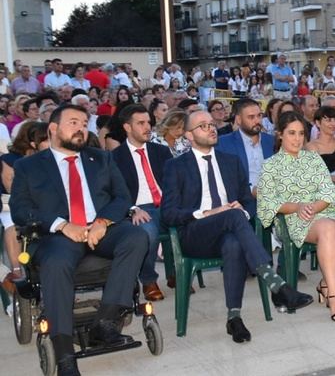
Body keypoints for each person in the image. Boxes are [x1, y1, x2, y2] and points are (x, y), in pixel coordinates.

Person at [10, 105, 148, 375]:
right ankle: (64, 354)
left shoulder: (101, 159)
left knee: (136, 237)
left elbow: (122, 198)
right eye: (73, 122)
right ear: (53, 129)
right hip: (57, 236)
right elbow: (20, 209)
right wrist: (63, 225)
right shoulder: (29, 166)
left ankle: (106, 321)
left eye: (85, 123)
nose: (81, 128)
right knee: (57, 261)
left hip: (99, 231)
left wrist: (102, 222)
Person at [161, 110, 313, 343]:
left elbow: (249, 201)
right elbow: (168, 214)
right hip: (194, 234)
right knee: (231, 216)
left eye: (212, 124)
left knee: (233, 242)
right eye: (203, 126)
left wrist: (240, 209)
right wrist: (208, 212)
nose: (211, 128)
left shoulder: (231, 162)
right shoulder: (175, 166)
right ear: (189, 135)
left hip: (228, 233)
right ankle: (275, 284)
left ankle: (234, 318)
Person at [257, 111, 335, 322]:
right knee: (327, 228)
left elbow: (328, 192)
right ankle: (334, 296)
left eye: (301, 133)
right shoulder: (271, 165)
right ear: (280, 135)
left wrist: (314, 206)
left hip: (323, 210)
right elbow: (268, 201)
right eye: (291, 133)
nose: (297, 138)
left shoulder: (313, 158)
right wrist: (297, 207)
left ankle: (325, 284)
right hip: (293, 217)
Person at [111, 105, 174, 301]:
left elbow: (174, 182)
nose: (148, 127)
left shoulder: (161, 151)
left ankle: (176, 273)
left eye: (148, 122)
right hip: (138, 208)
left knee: (186, 223)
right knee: (148, 231)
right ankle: (148, 279)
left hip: (166, 204)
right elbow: (113, 192)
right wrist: (132, 209)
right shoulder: (115, 157)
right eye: (141, 123)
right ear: (127, 128)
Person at [1, 122, 49, 295]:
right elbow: (11, 189)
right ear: (31, 141)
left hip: (43, 204)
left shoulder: (53, 159)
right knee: (12, 224)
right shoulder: (9, 160)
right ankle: (16, 270)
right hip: (11, 203)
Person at [216, 98, 275, 195]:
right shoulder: (223, 144)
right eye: (251, 117)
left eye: (259, 116)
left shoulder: (272, 141)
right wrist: (252, 191)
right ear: (238, 120)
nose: (257, 121)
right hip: (241, 202)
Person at [306, 106, 335, 189]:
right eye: (328, 120)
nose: (333, 124)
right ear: (318, 123)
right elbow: (313, 175)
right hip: (323, 191)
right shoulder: (311, 147)